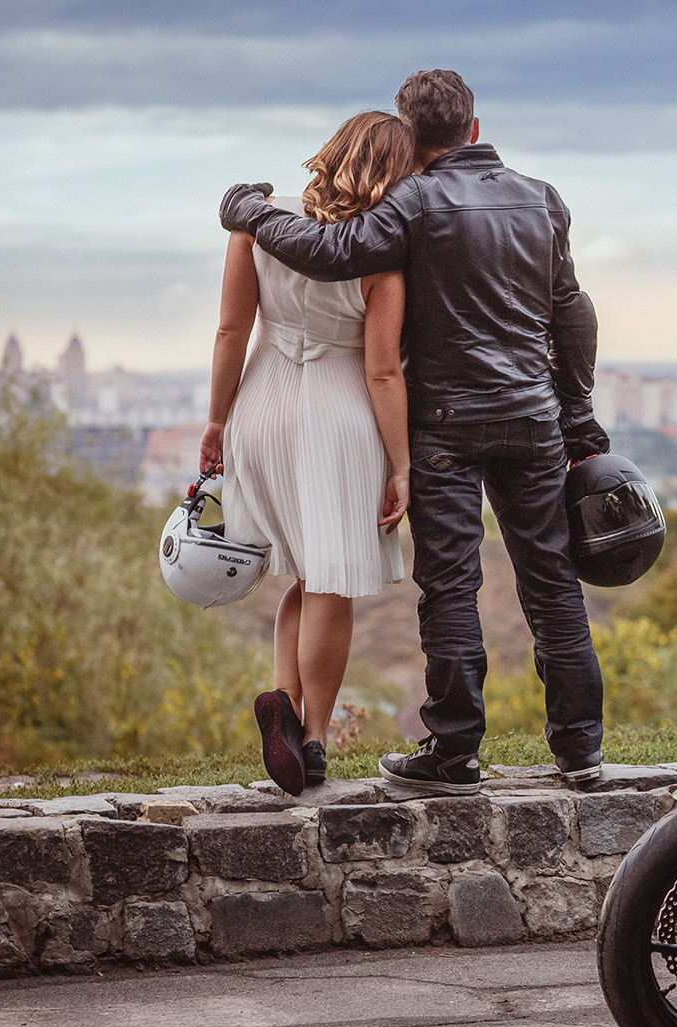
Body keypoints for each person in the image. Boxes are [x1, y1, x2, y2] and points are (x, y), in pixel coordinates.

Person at [217, 69, 609, 794]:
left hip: (447, 424)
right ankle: (581, 749)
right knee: (553, 585)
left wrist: (249, 210)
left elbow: (331, 253)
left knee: (452, 587)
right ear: (475, 129)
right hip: (532, 416)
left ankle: (454, 752)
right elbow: (572, 312)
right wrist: (577, 414)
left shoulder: (413, 200)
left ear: (410, 135)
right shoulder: (541, 198)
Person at [200, 112, 414, 796]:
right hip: (338, 410)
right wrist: (402, 463)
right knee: (331, 578)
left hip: (260, 406)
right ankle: (315, 736)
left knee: (299, 569)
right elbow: (383, 371)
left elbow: (232, 328)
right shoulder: (382, 247)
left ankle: (284, 705)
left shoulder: (257, 221)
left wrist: (215, 422)